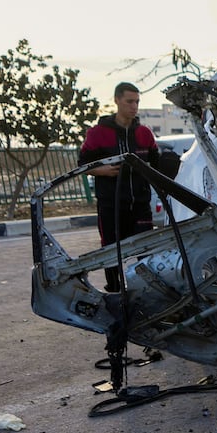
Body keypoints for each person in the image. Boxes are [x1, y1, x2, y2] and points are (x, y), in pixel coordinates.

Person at [79, 82, 159, 291]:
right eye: (129, 101)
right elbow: (82, 166)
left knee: (146, 248)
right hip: (111, 205)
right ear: (117, 100)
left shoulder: (145, 133)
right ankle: (115, 292)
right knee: (112, 251)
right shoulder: (97, 133)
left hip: (140, 204)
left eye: (137, 102)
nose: (134, 106)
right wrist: (101, 171)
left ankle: (152, 291)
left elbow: (157, 163)